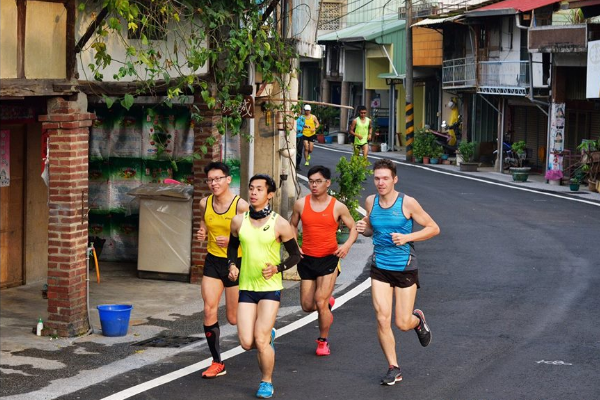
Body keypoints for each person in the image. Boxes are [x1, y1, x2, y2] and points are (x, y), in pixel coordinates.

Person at [356, 159, 440, 386]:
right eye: (377, 178)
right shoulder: (371, 201)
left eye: (385, 178)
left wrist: (407, 237)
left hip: (404, 266)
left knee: (402, 323)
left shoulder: (407, 203)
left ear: (394, 179)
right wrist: (365, 230)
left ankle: (418, 320)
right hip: (380, 266)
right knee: (382, 319)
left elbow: (433, 228)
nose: (380, 183)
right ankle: (394, 367)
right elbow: (374, 230)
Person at [227, 174, 301, 399]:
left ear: (270, 194)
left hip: (270, 287)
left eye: (259, 189)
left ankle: (266, 381)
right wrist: (232, 265)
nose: (253, 192)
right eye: (251, 188)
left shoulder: (279, 223)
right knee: (246, 343)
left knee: (259, 340)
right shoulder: (239, 221)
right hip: (247, 287)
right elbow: (232, 247)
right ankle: (269, 336)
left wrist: (277, 268)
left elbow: (295, 255)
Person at [289, 165, 358, 356]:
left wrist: (346, 246)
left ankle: (323, 341)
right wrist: (295, 247)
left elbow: (354, 228)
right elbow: (292, 226)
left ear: (327, 183)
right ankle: (327, 305)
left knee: (320, 300)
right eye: (311, 181)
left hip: (329, 258)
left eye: (318, 181)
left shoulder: (337, 206)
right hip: (307, 259)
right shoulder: (301, 204)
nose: (313, 185)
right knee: (307, 306)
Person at [196, 162, 249, 378]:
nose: (214, 183)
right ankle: (217, 362)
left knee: (234, 318)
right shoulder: (204, 203)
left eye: (218, 178)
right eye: (210, 180)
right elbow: (204, 222)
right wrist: (202, 231)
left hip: (236, 262)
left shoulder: (241, 206)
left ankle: (263, 330)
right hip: (213, 262)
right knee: (209, 309)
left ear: (228, 179)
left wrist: (231, 240)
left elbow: (253, 237)